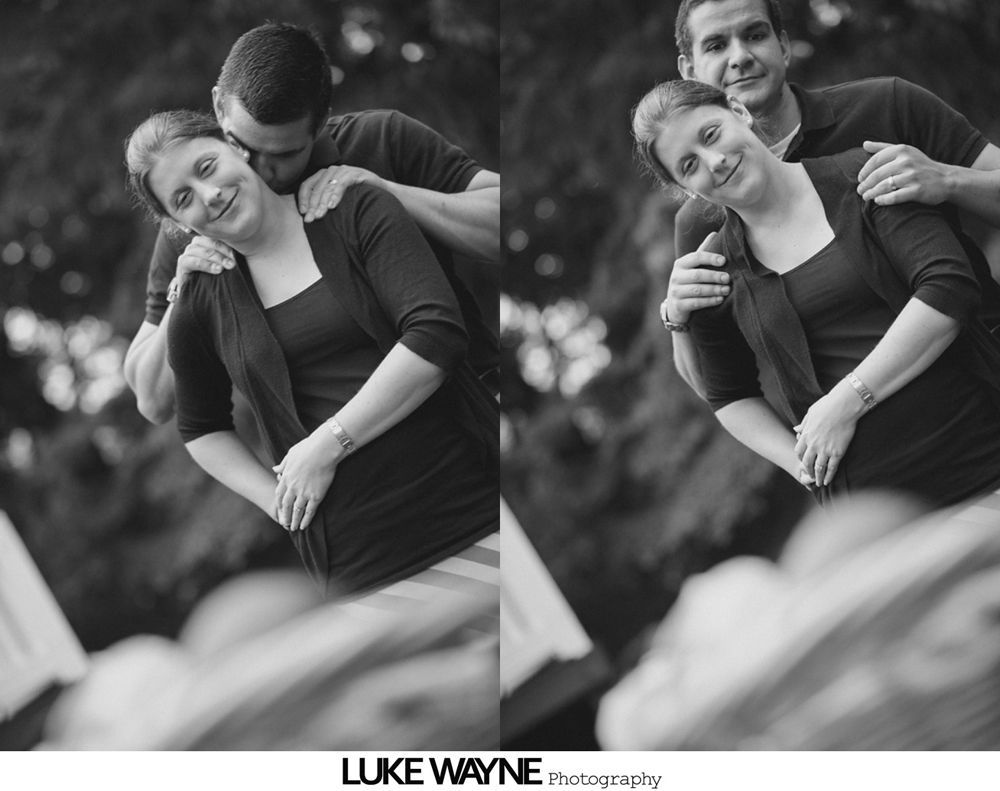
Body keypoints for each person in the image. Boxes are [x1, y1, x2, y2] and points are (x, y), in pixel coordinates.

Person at [124, 110, 499, 597]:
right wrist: (280, 504)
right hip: (357, 562)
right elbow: (199, 427)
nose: (209, 194)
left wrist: (325, 447)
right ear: (176, 224)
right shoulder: (199, 296)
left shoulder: (353, 208)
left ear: (237, 148)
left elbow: (435, 333)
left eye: (207, 166)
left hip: (470, 503)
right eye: (183, 199)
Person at [632, 79, 1000, 507]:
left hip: (983, 457)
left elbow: (948, 287)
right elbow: (727, 394)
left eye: (711, 134)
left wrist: (846, 401)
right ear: (686, 189)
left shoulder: (862, 174)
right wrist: (802, 465)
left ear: (739, 111)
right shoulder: (712, 265)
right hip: (870, 516)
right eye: (689, 165)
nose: (713, 162)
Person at [123, 23, 500, 425]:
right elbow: (153, 401)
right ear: (219, 106)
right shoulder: (195, 218)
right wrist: (181, 295)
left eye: (284, 153)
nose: (257, 168)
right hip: (344, 473)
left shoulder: (380, 138)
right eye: (240, 144)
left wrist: (387, 191)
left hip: (467, 422)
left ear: (321, 124)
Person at [661, 0, 1000, 397]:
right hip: (875, 444)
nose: (740, 57)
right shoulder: (701, 222)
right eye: (716, 46)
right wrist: (677, 318)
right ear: (689, 71)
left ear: (783, 45)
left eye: (754, 35)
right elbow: (720, 391)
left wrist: (949, 180)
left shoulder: (886, 103)